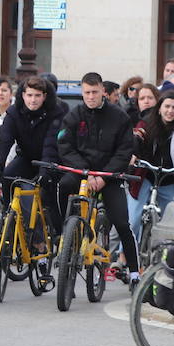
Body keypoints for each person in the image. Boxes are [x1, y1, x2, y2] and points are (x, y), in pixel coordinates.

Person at [57, 72, 140, 279]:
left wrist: (104, 177)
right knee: (63, 185)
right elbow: (65, 146)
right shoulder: (74, 115)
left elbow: (124, 151)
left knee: (122, 222)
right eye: (87, 92)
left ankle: (134, 272)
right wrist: (86, 172)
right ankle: (66, 234)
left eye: (95, 92)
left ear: (103, 91)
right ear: (82, 92)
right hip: (83, 173)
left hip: (110, 176)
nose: (91, 97)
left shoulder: (119, 116)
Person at [127, 89, 174, 249]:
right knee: (133, 218)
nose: (170, 111)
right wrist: (132, 155)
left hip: (169, 178)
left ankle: (167, 255)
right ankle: (124, 256)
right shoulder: (146, 122)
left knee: (171, 220)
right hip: (144, 175)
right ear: (159, 108)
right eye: (167, 106)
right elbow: (137, 137)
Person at [0, 75, 60, 180]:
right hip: (26, 157)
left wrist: (44, 174)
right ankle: (6, 197)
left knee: (47, 185)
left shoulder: (55, 113)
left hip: (52, 161)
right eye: (30, 95)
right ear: (23, 95)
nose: (33, 100)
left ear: (44, 96)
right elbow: (3, 143)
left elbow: (50, 146)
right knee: (7, 176)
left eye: (37, 95)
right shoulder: (14, 113)